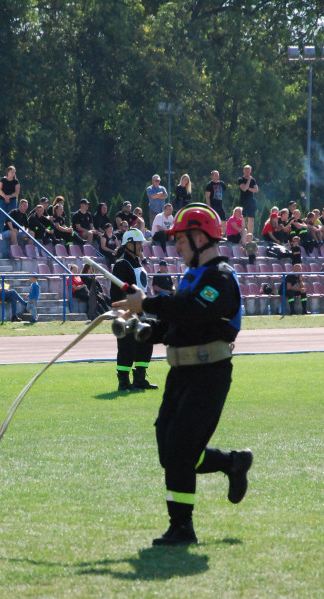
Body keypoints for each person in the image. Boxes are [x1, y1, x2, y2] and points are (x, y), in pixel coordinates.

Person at [112, 203, 252, 546]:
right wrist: (141, 328)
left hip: (209, 374)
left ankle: (182, 527)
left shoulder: (220, 278)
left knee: (179, 449)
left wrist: (146, 304)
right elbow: (178, 324)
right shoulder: (194, 277)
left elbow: (190, 313)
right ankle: (232, 463)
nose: (176, 246)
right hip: (182, 374)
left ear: (201, 237)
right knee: (170, 451)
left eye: (182, 240)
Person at [110, 228, 157, 391]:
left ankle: (140, 378)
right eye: (138, 243)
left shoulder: (137, 262)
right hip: (126, 312)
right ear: (129, 244)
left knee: (146, 339)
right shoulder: (122, 265)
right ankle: (123, 381)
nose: (141, 247)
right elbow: (118, 293)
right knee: (127, 346)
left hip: (139, 310)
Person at [0, 165, 20, 233]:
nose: (13, 174)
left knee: (11, 216)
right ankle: (0, 233)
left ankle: (11, 231)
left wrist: (9, 196)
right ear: (7, 172)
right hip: (2, 200)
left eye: (14, 172)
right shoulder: (2, 180)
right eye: (11, 172)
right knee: (2, 216)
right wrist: (5, 197)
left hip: (12, 200)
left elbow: (17, 192)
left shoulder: (16, 181)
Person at [237, 165, 258, 234]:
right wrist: (249, 180)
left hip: (251, 201)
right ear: (243, 171)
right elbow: (244, 188)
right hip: (243, 201)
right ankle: (242, 234)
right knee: (242, 218)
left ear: (250, 171)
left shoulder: (253, 180)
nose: (247, 172)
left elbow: (256, 190)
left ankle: (250, 235)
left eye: (249, 171)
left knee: (251, 219)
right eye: (246, 171)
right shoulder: (241, 180)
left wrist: (249, 189)